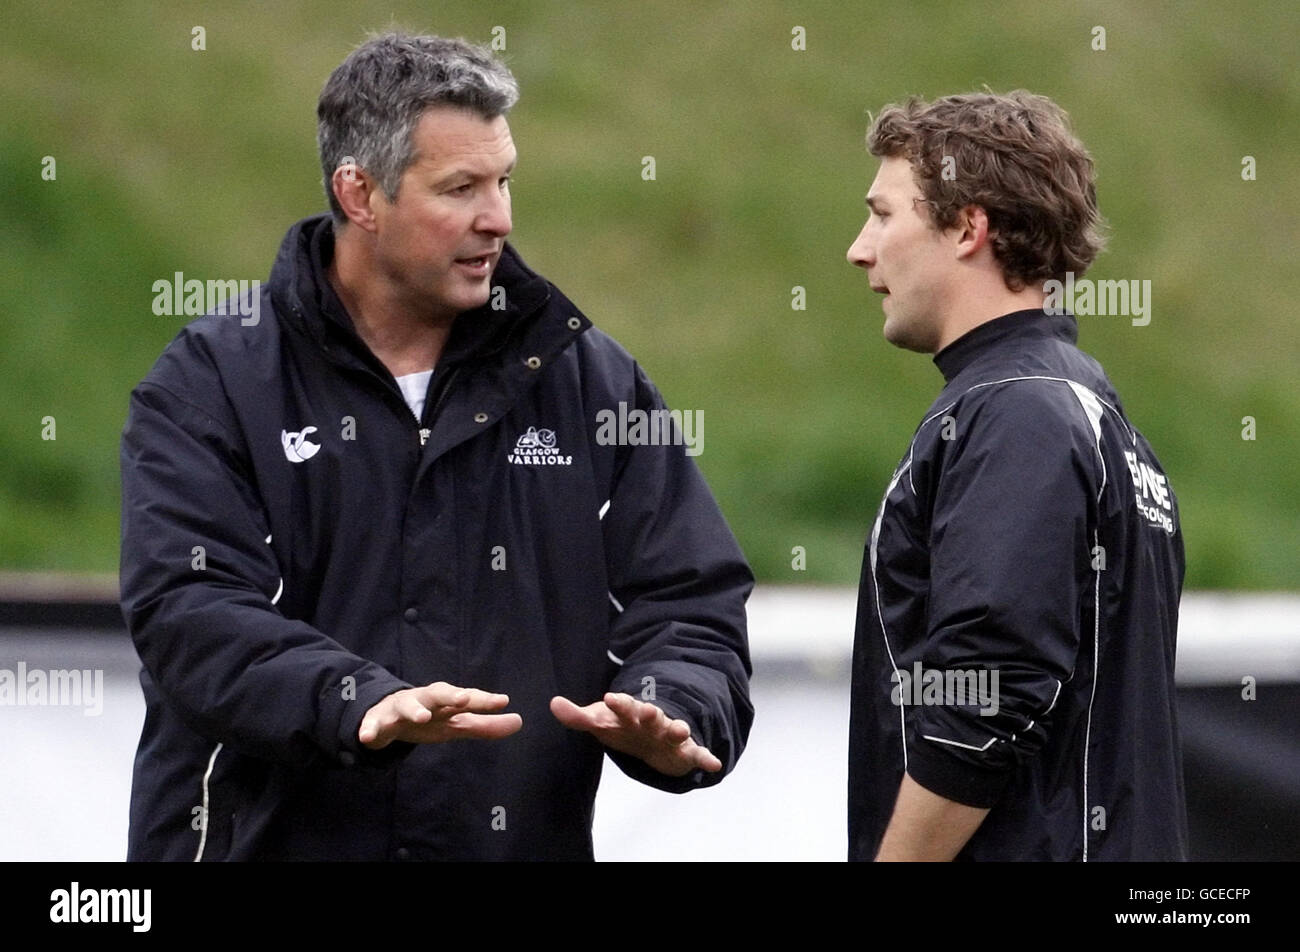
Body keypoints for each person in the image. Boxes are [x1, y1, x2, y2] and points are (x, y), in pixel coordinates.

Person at [119, 32, 753, 861]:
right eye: (461, 188)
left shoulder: (588, 378)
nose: (500, 218)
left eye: (504, 180)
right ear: (359, 193)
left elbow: (692, 600)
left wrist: (672, 704)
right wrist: (356, 701)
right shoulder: (212, 380)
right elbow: (187, 612)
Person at [844, 91, 1187, 861]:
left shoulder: (1018, 413)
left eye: (883, 214)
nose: (860, 249)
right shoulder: (1089, 409)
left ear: (969, 227)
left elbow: (989, 695)